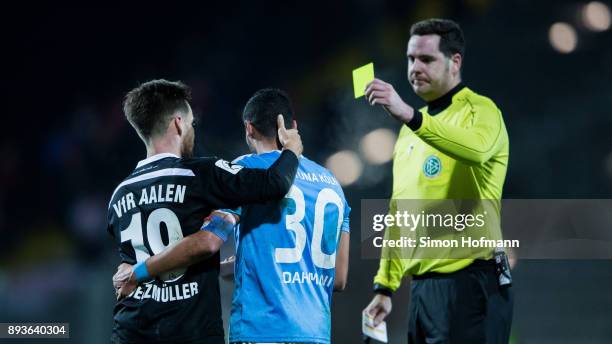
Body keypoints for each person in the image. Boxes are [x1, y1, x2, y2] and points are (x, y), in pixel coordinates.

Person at [114, 88, 351, 344]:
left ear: (249, 129)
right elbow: (338, 278)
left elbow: (209, 240)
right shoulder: (332, 184)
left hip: (261, 330)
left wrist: (141, 270)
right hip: (316, 334)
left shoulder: (246, 170)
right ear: (293, 126)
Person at [362, 19, 513, 343]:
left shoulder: (482, 111)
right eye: (410, 58)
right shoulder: (408, 133)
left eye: (426, 59)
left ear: (454, 61)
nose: (415, 67)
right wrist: (385, 287)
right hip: (422, 290)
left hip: (473, 281)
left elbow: (474, 150)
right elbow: (399, 211)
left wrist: (412, 117)